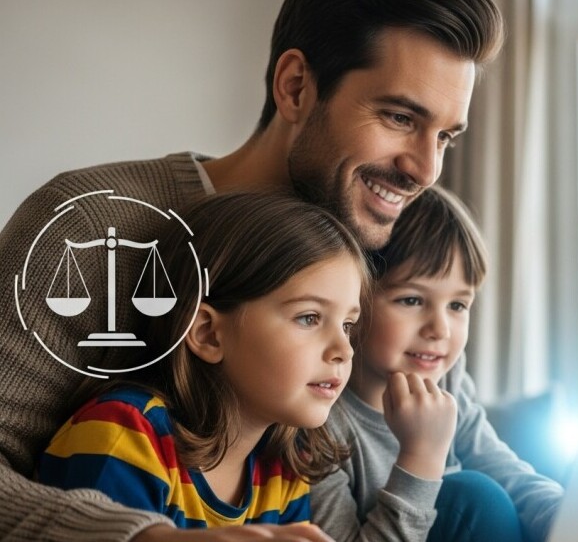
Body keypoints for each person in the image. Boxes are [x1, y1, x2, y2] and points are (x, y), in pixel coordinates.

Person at [0, 0, 504, 540]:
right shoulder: (92, 228)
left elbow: (485, 455)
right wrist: (150, 537)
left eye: (447, 137)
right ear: (294, 87)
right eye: (400, 118)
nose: (427, 171)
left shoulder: (395, 250)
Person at [39, 193, 366, 530]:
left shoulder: (284, 470)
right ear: (209, 334)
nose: (344, 349)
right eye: (309, 318)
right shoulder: (125, 435)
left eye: (347, 325)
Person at [312, 187, 564, 542]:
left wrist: (569, 514)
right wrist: (421, 456)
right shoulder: (318, 420)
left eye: (458, 306)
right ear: (353, 302)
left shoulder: (447, 380)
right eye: (412, 300)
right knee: (475, 498)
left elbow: (502, 468)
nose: (439, 329)